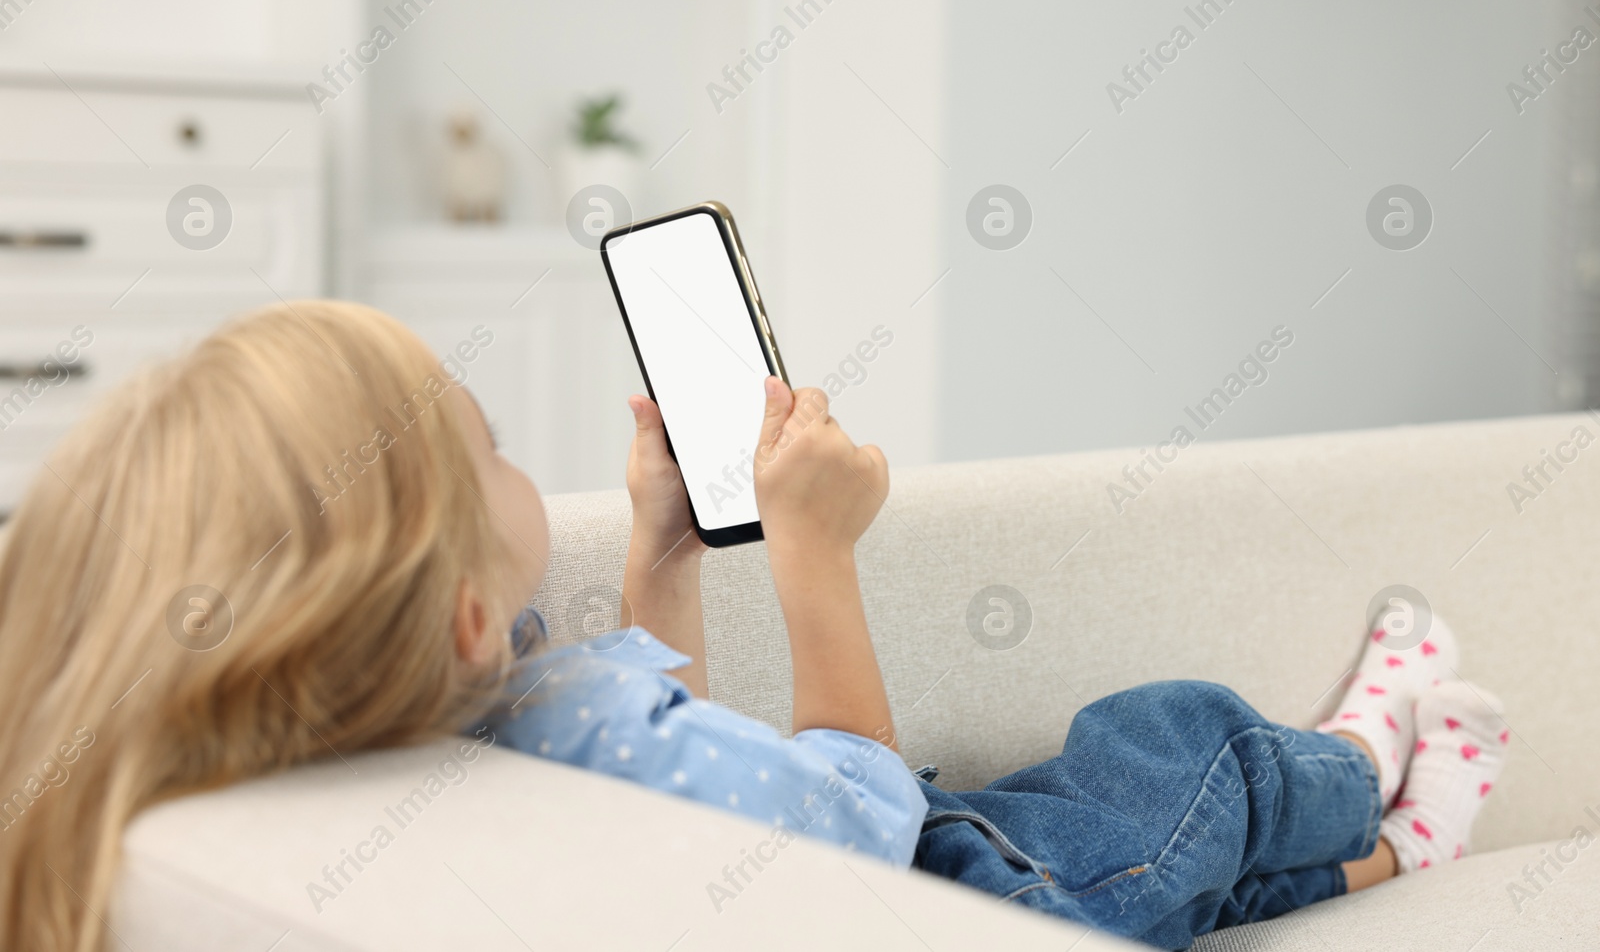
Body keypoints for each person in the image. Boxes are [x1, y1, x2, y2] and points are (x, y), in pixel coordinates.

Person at [0, 302, 1506, 951]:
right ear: (467, 613)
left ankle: (1359, 850)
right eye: (495, 447)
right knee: (1175, 746)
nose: (528, 471)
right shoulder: (539, 722)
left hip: (876, 878)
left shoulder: (420, 736)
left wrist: (665, 554)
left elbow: (686, 782)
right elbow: (861, 809)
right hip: (951, 903)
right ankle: (1368, 794)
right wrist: (814, 553)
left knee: (1166, 867)